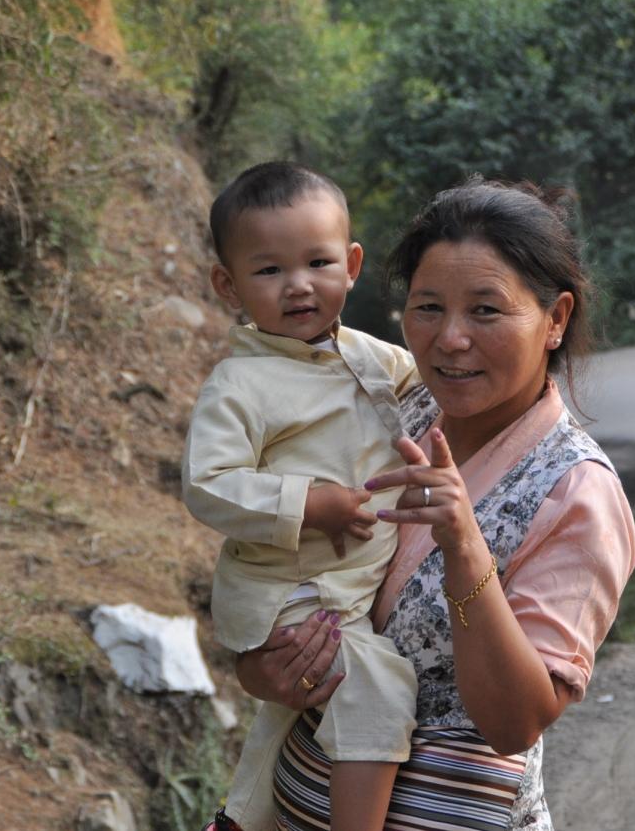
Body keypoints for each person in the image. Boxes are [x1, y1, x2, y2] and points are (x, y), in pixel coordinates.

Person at [219, 178, 635, 830]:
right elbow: (277, 563)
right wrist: (263, 667)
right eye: (428, 307)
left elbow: (515, 723)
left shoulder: (574, 491)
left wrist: (465, 548)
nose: (450, 339)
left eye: (486, 311)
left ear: (555, 319)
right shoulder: (390, 407)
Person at [182, 161, 421, 831]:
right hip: (291, 591)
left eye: (318, 262)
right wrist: (309, 504)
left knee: (292, 715)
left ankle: (239, 819)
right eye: (269, 270)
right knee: (376, 689)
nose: (298, 285)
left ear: (351, 264)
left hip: (346, 587)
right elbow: (208, 484)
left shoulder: (373, 359)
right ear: (228, 285)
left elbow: (434, 392)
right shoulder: (240, 385)